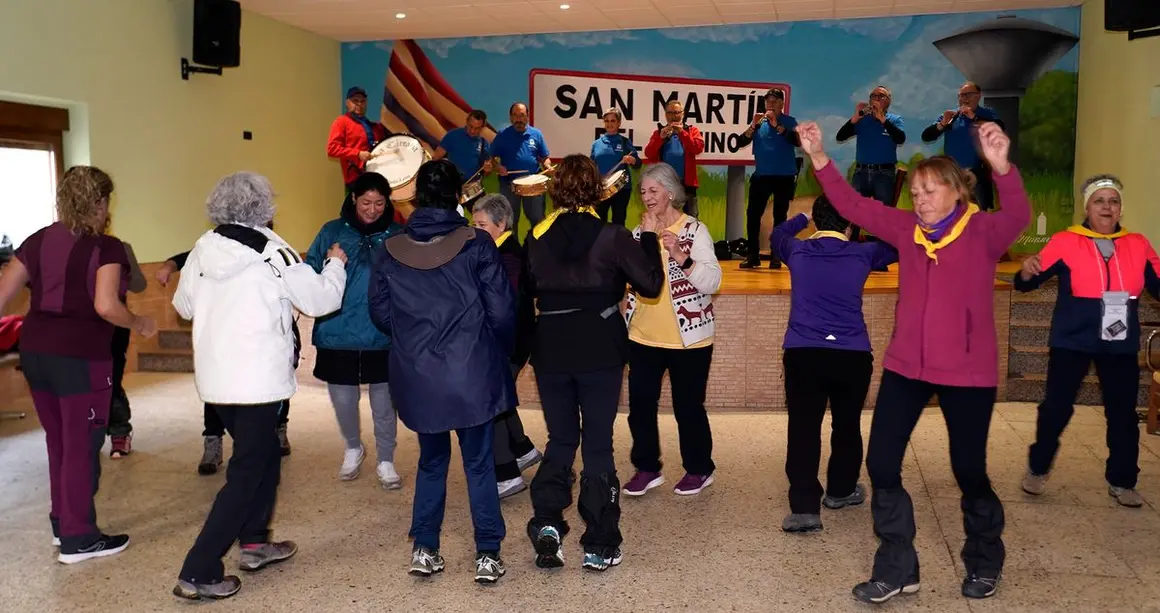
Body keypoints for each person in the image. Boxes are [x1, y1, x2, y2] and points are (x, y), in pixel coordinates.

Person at [797, 120, 1028, 603]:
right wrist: (819, 155)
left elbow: (1019, 216)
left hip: (968, 372)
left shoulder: (982, 231)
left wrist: (1002, 166)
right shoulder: (907, 230)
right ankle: (898, 565)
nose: (918, 199)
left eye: (929, 190)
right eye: (916, 191)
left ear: (957, 192)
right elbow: (852, 205)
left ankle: (986, 558)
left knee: (969, 471)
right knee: (881, 464)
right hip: (906, 367)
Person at [172, 172, 348, 600]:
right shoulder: (274, 250)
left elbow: (184, 305)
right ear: (265, 208)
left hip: (217, 381)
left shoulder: (202, 247)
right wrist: (337, 265)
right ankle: (199, 569)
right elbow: (321, 300)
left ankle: (254, 543)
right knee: (247, 472)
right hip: (259, 381)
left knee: (264, 454)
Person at [368, 159, 515, 584]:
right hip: (472, 372)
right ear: (458, 196)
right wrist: (494, 351)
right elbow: (502, 311)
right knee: (479, 463)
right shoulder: (477, 244)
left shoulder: (391, 248)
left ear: (416, 197)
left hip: (418, 376)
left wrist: (413, 340)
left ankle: (425, 550)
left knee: (431, 462)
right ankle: (487, 553)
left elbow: (380, 313)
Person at [0, 166, 157, 564]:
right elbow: (105, 305)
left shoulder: (35, 241)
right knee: (82, 446)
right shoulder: (107, 247)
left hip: (35, 354)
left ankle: (61, 523)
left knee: (59, 442)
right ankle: (79, 537)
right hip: (80, 359)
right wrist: (138, 321)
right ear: (101, 202)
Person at [523, 154, 664, 572]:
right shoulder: (614, 235)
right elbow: (651, 284)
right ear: (598, 191)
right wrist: (651, 239)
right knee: (598, 444)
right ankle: (600, 543)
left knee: (561, 439)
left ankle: (548, 522)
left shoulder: (537, 235)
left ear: (555, 191)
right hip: (600, 349)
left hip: (550, 348)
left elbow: (528, 286)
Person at [1015, 175, 1160, 508]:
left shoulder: (1138, 243)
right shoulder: (1067, 240)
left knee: (1122, 414)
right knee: (1055, 408)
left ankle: (1123, 481)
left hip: (1120, 341)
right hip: (1072, 339)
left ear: (1120, 208)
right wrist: (1025, 270)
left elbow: (1157, 284)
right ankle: (1038, 467)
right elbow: (1028, 282)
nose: (1107, 207)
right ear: (1088, 207)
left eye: (1113, 201)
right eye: (1099, 201)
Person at [772, 196, 898, 533]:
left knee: (803, 428)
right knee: (847, 425)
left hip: (803, 354)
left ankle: (804, 509)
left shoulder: (797, 250)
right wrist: (866, 219)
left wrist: (802, 218)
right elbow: (899, 243)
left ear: (817, 221)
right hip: (852, 355)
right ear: (849, 224)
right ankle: (841, 491)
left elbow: (776, 234)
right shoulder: (863, 253)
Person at [622, 163, 721, 498]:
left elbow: (713, 281)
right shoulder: (638, 234)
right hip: (642, 337)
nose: (647, 197)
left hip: (689, 341)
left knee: (688, 407)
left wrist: (681, 254)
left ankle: (699, 468)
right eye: (643, 191)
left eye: (654, 190)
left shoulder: (695, 230)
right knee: (640, 407)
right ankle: (647, 468)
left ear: (670, 192)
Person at [305, 172, 404, 487]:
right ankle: (352, 447)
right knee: (343, 400)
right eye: (366, 202)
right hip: (338, 331)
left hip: (383, 332)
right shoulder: (331, 231)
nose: (373, 209)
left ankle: (386, 459)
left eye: (379, 203)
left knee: (384, 403)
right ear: (353, 199)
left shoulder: (398, 235)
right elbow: (309, 275)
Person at [157, 248, 296, 472]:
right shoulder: (214, 244)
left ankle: (278, 430)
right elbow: (186, 260)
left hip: (266, 333)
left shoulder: (272, 248)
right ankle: (213, 442)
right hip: (224, 332)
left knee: (276, 380)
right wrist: (168, 266)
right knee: (217, 389)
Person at [471, 194, 544, 499]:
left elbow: (505, 305)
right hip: (511, 340)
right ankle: (523, 450)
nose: (476, 230)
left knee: (492, 404)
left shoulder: (508, 256)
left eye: (482, 225)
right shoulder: (498, 252)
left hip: (508, 343)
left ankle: (506, 475)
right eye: (474, 224)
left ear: (501, 224)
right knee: (500, 399)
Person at [737, 88, 800, 269]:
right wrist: (753, 126)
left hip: (784, 176)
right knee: (753, 215)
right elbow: (740, 142)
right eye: (768, 101)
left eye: (774, 101)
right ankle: (753, 256)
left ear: (782, 103)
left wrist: (777, 127)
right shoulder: (759, 123)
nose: (770, 104)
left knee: (779, 216)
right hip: (762, 176)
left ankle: (776, 255)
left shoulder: (789, 121)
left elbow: (797, 141)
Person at [835, 86, 906, 240]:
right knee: (853, 215)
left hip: (884, 175)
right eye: (873, 96)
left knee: (883, 217)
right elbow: (840, 137)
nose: (876, 99)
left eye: (881, 96)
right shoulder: (862, 120)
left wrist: (883, 120)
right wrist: (854, 118)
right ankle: (852, 254)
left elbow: (900, 139)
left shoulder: (894, 120)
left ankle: (880, 257)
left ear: (888, 101)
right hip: (861, 173)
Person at [920, 82, 1004, 211]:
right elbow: (926, 136)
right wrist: (942, 124)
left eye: (968, 95)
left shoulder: (986, 114)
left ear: (978, 96)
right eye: (960, 95)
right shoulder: (951, 116)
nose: (963, 99)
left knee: (978, 214)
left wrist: (974, 117)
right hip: (951, 175)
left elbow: (1000, 129)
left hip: (976, 175)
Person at [107, 241, 147, 458]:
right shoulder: (64, 248)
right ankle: (87, 435)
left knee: (111, 379)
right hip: (77, 328)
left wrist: (120, 272)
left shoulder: (119, 248)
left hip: (115, 324)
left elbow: (139, 285)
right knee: (82, 383)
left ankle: (120, 432)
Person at [490, 102, 551, 239]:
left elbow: (544, 157)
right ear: (511, 117)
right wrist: (498, 167)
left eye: (522, 115)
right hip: (508, 184)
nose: (519, 119)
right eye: (515, 116)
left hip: (532, 185)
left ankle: (538, 252)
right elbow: (491, 158)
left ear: (527, 116)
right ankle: (513, 255)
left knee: (538, 220)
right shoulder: (502, 135)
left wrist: (547, 165)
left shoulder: (536, 134)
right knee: (510, 222)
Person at [644, 100, 705, 217]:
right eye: (670, 113)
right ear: (666, 115)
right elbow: (649, 154)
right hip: (664, 183)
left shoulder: (692, 131)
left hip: (687, 183)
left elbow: (698, 148)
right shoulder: (659, 133)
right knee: (664, 216)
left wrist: (682, 133)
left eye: (676, 112)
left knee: (692, 217)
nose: (673, 116)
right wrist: (659, 139)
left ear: (683, 114)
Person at [327, 86, 390, 192]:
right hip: (356, 178)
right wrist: (358, 154)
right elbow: (332, 149)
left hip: (377, 175)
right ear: (347, 103)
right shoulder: (341, 122)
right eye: (355, 101)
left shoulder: (374, 127)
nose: (359, 104)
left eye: (362, 101)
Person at [589, 107, 642, 226]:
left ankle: (617, 244)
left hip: (621, 189)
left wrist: (632, 160)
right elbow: (591, 167)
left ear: (619, 123)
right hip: (601, 189)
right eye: (607, 121)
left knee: (618, 222)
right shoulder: (596, 144)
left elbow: (638, 164)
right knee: (599, 221)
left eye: (613, 121)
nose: (609, 124)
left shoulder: (624, 142)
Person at [434, 109, 494, 183]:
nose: (472, 131)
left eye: (477, 128)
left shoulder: (484, 144)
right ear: (467, 122)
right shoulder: (453, 134)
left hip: (470, 187)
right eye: (470, 126)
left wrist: (488, 170)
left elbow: (486, 172)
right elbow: (436, 158)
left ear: (482, 128)